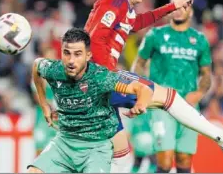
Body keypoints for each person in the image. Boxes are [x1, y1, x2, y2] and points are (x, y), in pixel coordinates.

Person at [84, 0, 223, 172]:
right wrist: (107, 75)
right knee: (169, 98)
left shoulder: (124, 9)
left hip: (96, 83)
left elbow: (137, 23)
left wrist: (171, 7)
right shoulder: (114, 2)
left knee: (117, 155)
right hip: (99, 79)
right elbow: (94, 39)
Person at [27, 28, 154, 173]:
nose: (71, 61)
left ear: (88, 55)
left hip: (96, 147)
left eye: (78, 54)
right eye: (66, 53)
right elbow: (37, 65)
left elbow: (144, 89)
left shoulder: (101, 77)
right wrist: (44, 105)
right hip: (64, 142)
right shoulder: (54, 70)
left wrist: (141, 104)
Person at [132, 0, 212, 173]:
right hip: (162, 105)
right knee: (165, 160)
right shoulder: (155, 35)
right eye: (175, 5)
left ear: (190, 12)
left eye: (184, 6)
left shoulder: (200, 40)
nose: (178, 9)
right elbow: (139, 63)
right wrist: (142, 88)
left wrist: (199, 93)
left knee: (184, 160)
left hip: (189, 107)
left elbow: (207, 74)